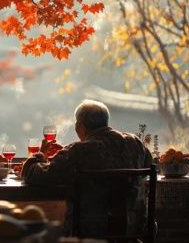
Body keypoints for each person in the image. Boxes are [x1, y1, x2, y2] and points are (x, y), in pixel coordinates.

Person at [22, 99, 152, 237]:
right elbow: (149, 166)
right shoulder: (135, 143)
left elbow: (34, 175)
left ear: (80, 127)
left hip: (91, 230)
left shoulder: (78, 152)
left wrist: (40, 155)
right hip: (134, 227)